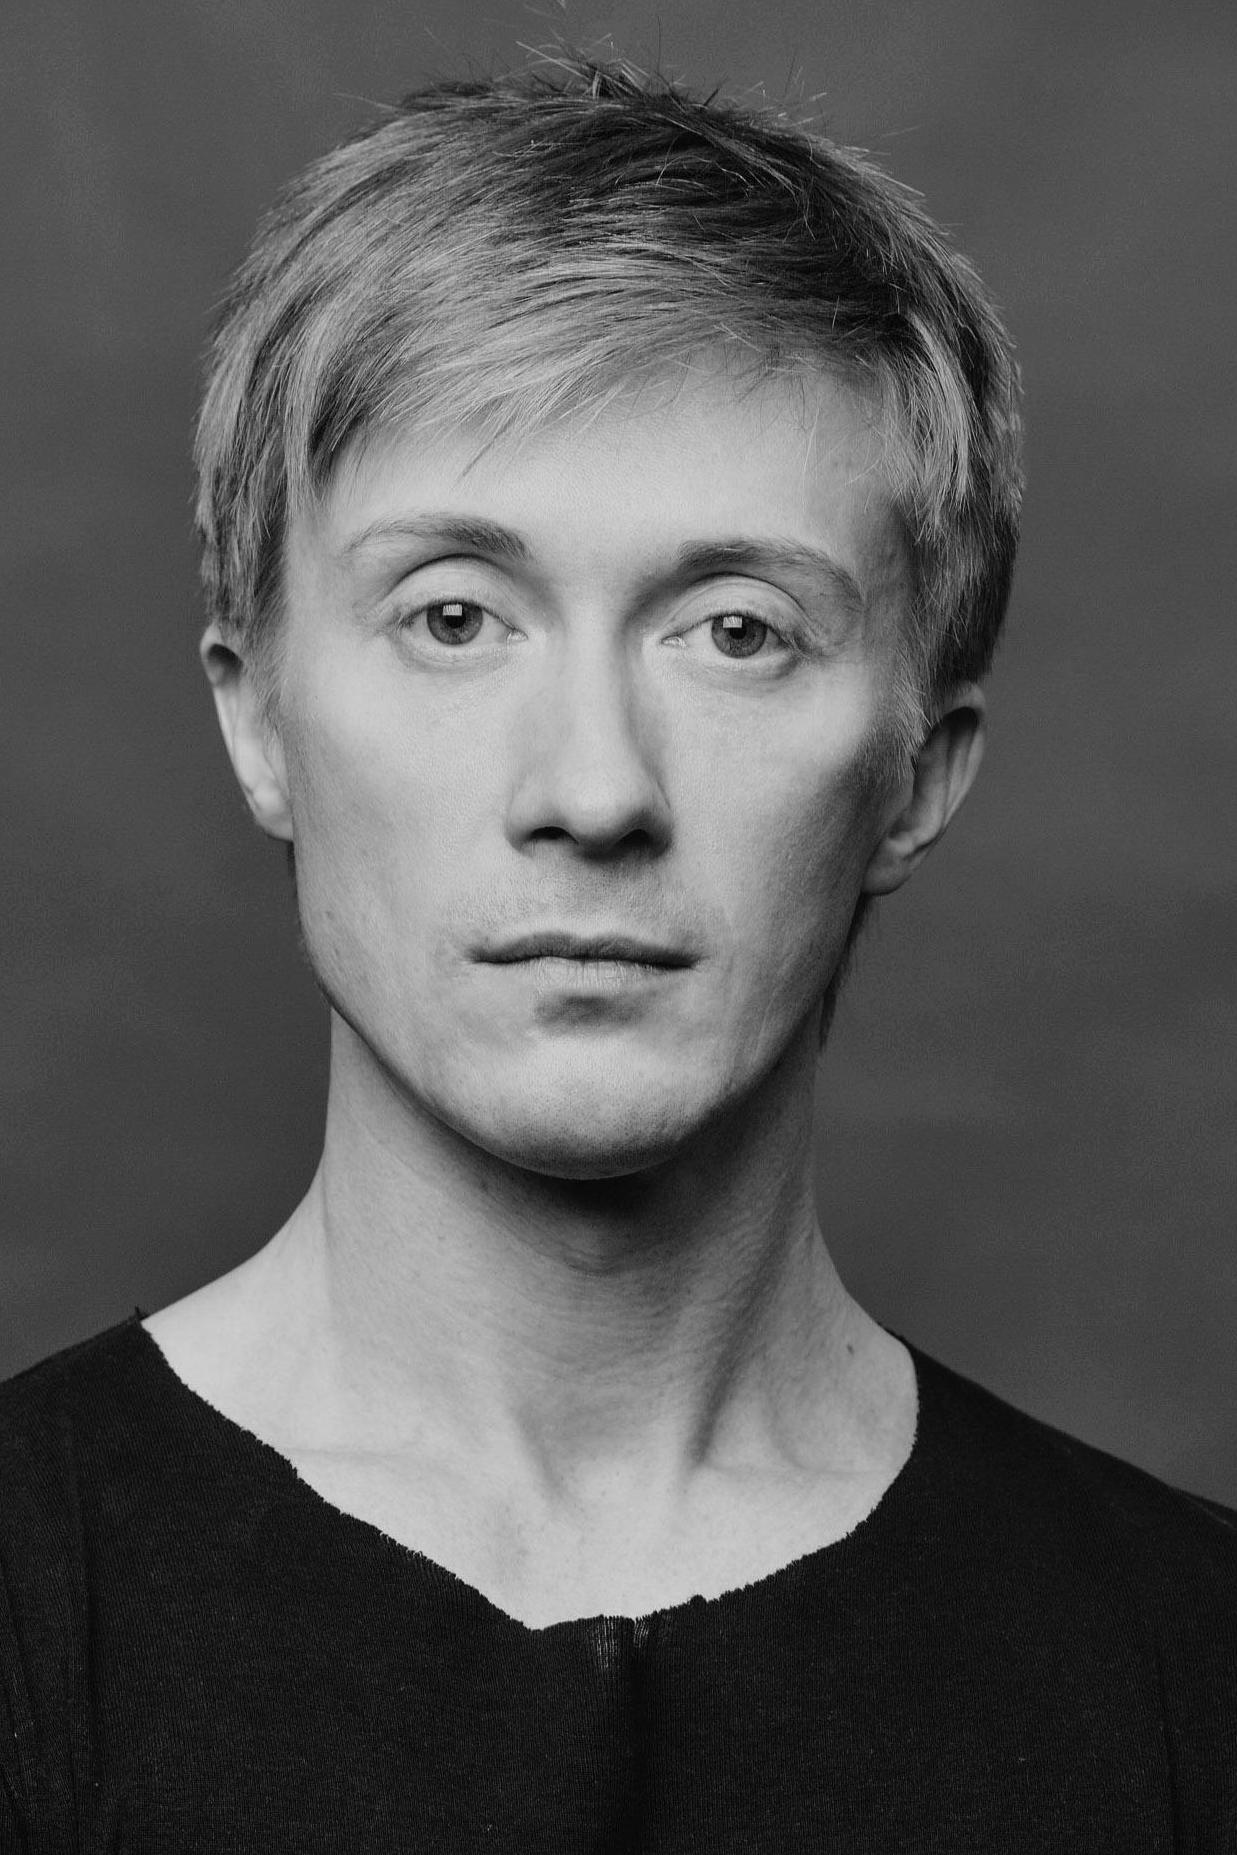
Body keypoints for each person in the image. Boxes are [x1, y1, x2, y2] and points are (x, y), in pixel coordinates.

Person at [1, 48, 1232, 1852]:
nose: (592, 790)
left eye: (734, 631)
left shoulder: (1193, 1673)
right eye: (453, 616)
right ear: (257, 720)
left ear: (917, 773)